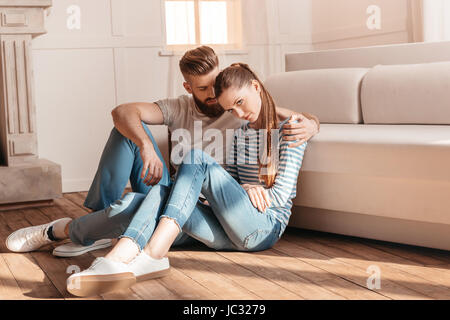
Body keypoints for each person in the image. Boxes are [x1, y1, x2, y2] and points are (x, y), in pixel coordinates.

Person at [5, 47, 319, 294]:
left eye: (237, 103)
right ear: (188, 87)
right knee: (141, 199)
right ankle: (64, 234)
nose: (234, 111)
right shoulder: (238, 125)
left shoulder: (288, 127)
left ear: (253, 85)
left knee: (192, 160)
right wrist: (230, 191)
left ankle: (146, 255)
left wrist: (312, 124)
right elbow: (123, 112)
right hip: (225, 221)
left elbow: (276, 193)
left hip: (262, 228)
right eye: (230, 107)